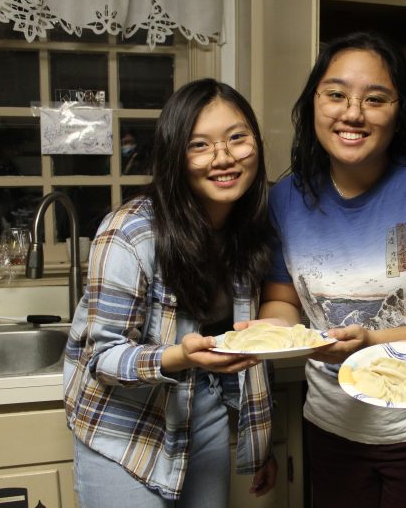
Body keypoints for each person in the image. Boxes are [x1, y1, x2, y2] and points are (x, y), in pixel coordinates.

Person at [243, 31, 406, 508]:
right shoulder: (286, 198)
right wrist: (270, 333)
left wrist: (371, 343)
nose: (352, 113)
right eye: (336, 94)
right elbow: (283, 298)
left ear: (398, 111)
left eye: (375, 98)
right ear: (313, 103)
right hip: (332, 425)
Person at [63, 78, 277, 507]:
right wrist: (178, 355)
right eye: (200, 145)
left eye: (237, 138)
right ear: (174, 156)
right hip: (125, 429)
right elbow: (102, 358)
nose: (224, 158)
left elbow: (241, 345)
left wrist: (259, 445)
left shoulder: (246, 229)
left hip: (206, 412)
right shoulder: (129, 232)